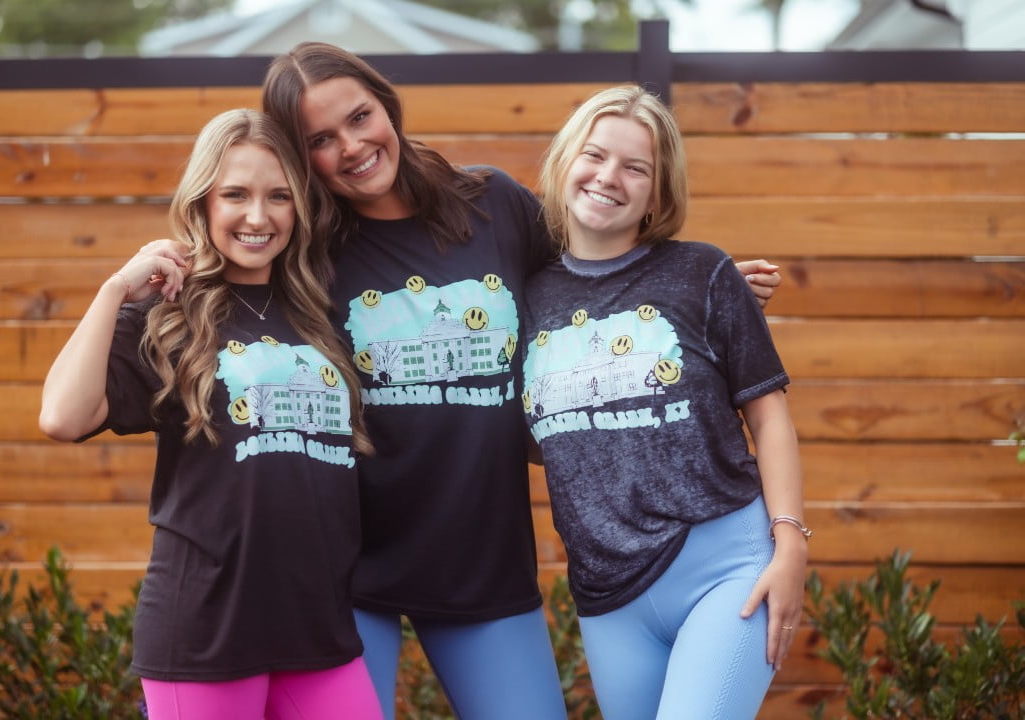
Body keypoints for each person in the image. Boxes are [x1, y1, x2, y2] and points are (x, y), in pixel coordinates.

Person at [255, 43, 785, 720]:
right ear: (301, 157)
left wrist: (702, 296)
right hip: (346, 568)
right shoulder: (303, 249)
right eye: (321, 140)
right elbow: (227, 287)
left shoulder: (494, 205)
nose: (353, 145)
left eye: (360, 116)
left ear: (386, 103)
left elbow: (591, 277)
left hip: (482, 561)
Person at [39, 108, 383, 720]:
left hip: (318, 628)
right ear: (201, 204)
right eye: (235, 195)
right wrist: (115, 289)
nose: (258, 216)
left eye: (278, 196)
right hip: (203, 632)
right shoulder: (169, 315)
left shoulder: (322, 311)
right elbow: (63, 417)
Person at [522, 84, 808, 719]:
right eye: (594, 156)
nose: (608, 177)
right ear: (566, 162)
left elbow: (769, 415)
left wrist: (791, 544)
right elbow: (556, 441)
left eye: (636, 167)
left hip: (726, 567)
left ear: (659, 193)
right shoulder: (524, 301)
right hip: (608, 595)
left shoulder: (704, 274)